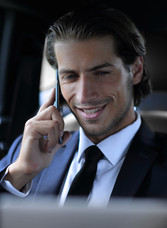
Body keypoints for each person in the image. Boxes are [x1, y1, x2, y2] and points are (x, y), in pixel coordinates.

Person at [0, 4, 167, 206]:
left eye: (101, 73)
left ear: (136, 70)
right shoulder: (25, 150)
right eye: (70, 76)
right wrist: (21, 172)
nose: (84, 94)